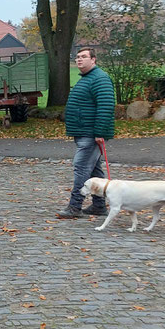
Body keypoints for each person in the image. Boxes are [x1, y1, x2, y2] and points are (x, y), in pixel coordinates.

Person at [57, 47, 116, 219]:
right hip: (84, 132)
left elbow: (105, 107)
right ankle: (99, 206)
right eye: (77, 57)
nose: (79, 60)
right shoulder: (87, 79)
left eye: (83, 57)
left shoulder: (100, 79)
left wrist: (99, 132)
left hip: (91, 134)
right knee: (94, 171)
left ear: (93, 60)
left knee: (81, 168)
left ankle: (75, 206)